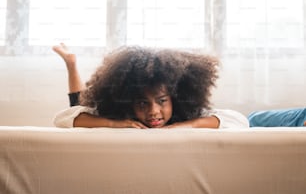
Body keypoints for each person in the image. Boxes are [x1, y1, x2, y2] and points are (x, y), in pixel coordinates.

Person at [53, 43, 249, 129]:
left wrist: (187, 125)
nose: (154, 112)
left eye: (162, 101)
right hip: (116, 116)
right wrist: (115, 123)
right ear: (129, 102)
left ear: (175, 97)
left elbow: (239, 120)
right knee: (77, 104)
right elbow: (62, 118)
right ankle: (71, 64)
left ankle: (71, 63)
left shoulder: (184, 114)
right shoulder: (123, 114)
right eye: (142, 103)